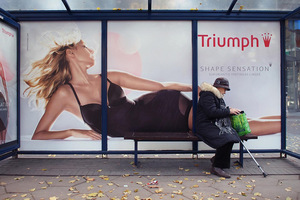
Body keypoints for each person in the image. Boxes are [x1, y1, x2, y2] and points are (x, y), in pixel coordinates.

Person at [24, 38, 197, 140]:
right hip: (142, 131)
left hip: (160, 108)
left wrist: (195, 88)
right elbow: (38, 134)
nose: (91, 50)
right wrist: (73, 132)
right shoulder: (65, 94)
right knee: (209, 124)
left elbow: (161, 86)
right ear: (71, 53)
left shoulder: (109, 77)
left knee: (210, 120)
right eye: (84, 46)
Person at [195, 77, 241, 178]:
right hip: (204, 125)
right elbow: (211, 112)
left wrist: (229, 109)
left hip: (212, 124)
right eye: (225, 89)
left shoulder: (216, 96)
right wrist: (228, 111)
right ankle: (217, 167)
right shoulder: (208, 95)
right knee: (226, 138)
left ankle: (217, 159)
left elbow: (218, 110)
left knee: (231, 136)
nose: (225, 92)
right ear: (219, 87)